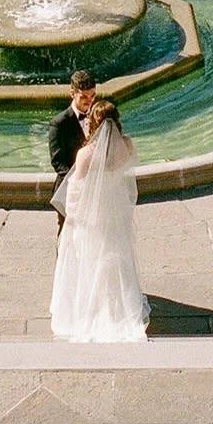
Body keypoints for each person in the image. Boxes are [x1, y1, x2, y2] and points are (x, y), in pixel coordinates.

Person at [50, 100, 150, 343]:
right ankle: (120, 309)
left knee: (91, 263)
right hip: (117, 214)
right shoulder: (127, 146)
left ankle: (92, 312)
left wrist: (73, 221)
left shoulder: (85, 155)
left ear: (94, 124)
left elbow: (75, 193)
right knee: (119, 260)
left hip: (93, 219)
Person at [47, 71, 95, 234]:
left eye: (93, 96)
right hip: (69, 191)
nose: (89, 101)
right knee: (67, 236)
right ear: (72, 94)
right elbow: (57, 162)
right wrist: (79, 182)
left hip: (94, 188)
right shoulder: (59, 123)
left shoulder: (97, 115)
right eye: (84, 97)